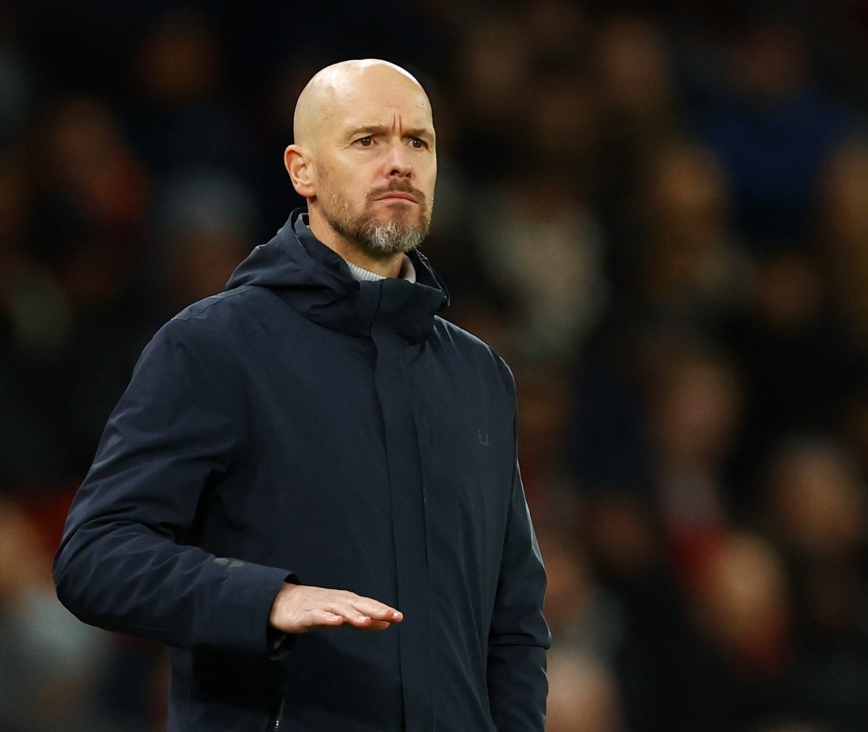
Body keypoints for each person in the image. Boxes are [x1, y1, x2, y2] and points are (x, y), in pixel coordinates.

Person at [53, 58, 551, 732]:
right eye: (367, 140)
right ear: (301, 171)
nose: (399, 163)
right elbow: (95, 557)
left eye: (418, 142)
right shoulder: (213, 345)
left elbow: (514, 621)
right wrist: (264, 599)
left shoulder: (479, 375)